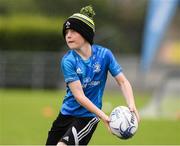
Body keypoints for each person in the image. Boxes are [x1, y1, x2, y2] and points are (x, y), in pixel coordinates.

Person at [46, 5, 140, 146]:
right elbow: (79, 96)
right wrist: (105, 117)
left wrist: (131, 105)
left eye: (73, 31)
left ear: (85, 33)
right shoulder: (68, 61)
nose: (68, 36)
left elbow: (123, 82)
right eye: (66, 33)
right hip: (66, 114)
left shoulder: (105, 55)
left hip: (87, 117)